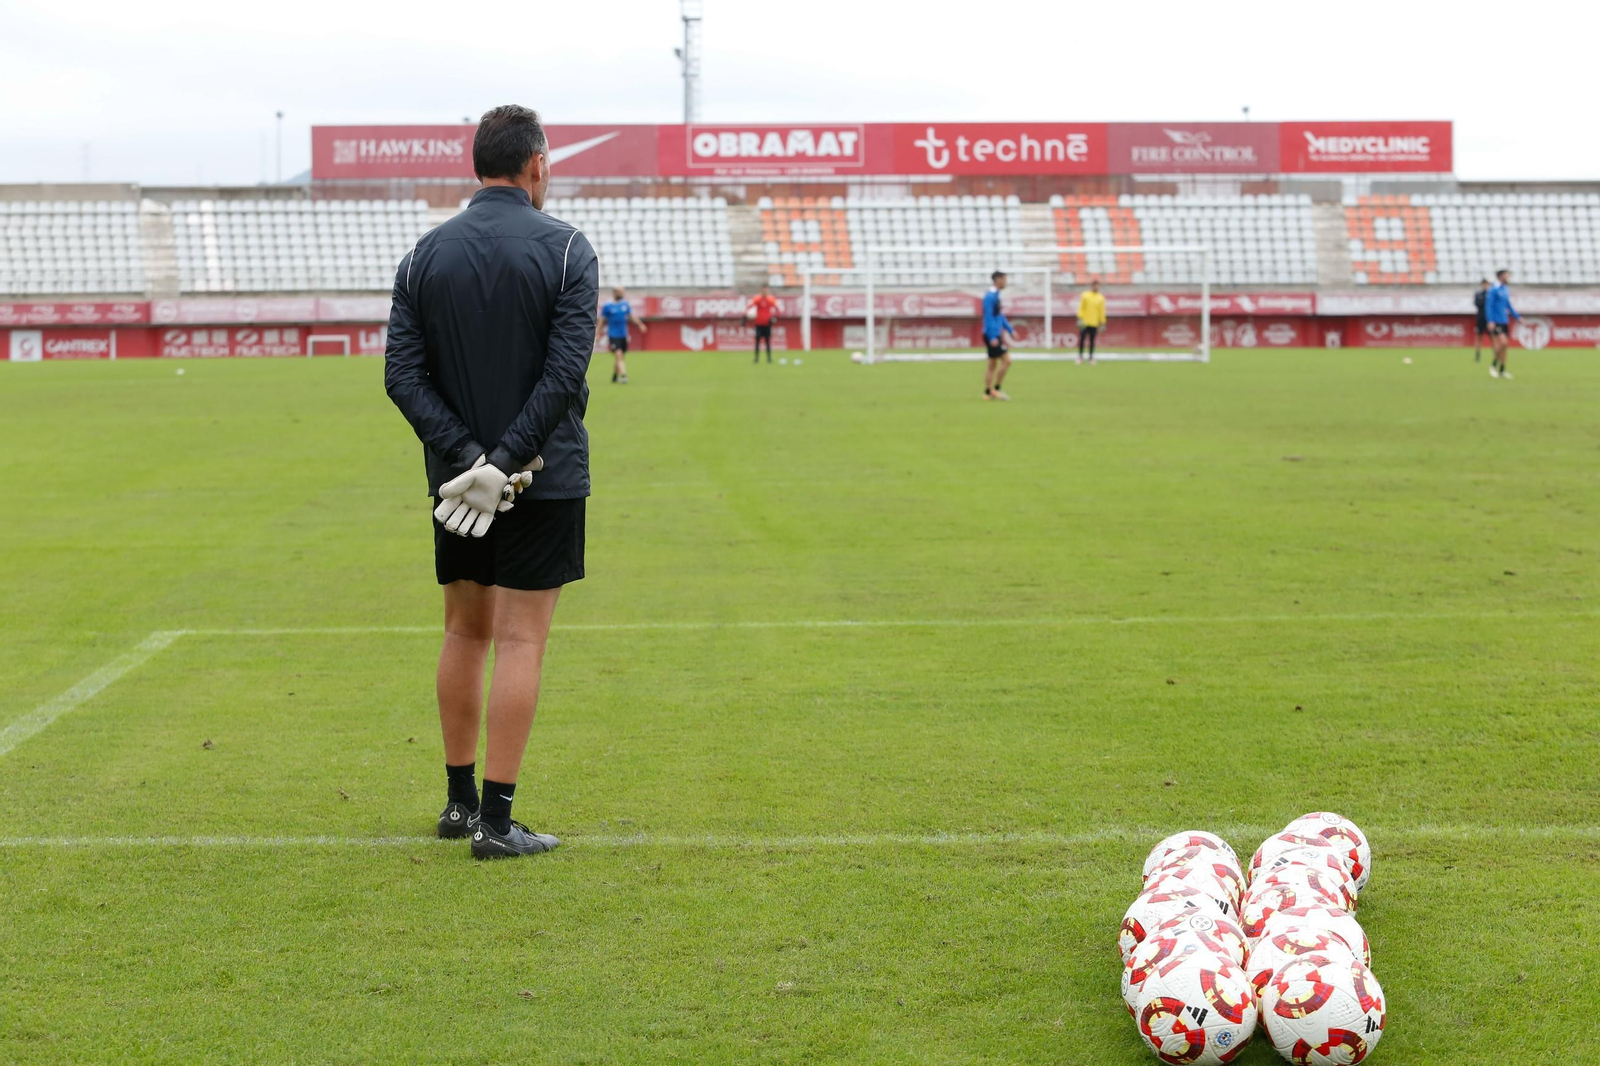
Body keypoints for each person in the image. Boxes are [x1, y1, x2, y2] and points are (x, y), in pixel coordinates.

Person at [384, 104, 599, 860]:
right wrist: (505, 463)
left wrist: (468, 460)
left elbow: (401, 378)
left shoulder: (422, 256)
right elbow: (565, 372)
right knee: (520, 642)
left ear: (478, 164)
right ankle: (499, 825)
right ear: (537, 165)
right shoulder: (569, 249)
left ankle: (456, 805)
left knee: (462, 631)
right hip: (542, 478)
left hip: (455, 490)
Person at [598, 286, 647, 383]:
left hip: (623, 335)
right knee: (619, 355)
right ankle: (624, 376)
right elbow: (601, 320)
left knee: (620, 357)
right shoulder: (607, 306)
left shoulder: (625, 304)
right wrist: (597, 332)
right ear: (615, 293)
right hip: (613, 335)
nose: (623, 294)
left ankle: (615, 376)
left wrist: (640, 324)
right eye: (621, 292)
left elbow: (631, 316)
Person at [982, 269, 1016, 401]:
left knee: (992, 364)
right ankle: (996, 389)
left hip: (994, 334)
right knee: (1007, 361)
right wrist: (992, 337)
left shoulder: (995, 295)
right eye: (1004, 279)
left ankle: (988, 392)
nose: (1006, 282)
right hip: (992, 335)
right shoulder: (990, 297)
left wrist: (1010, 330)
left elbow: (999, 316)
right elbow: (988, 317)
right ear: (998, 280)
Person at [1484, 268, 1521, 379]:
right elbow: (1489, 305)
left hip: (1504, 320)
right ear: (1500, 276)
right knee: (1502, 343)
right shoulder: (1494, 289)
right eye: (1506, 275)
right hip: (1496, 321)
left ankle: (1502, 370)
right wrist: (1490, 320)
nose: (1508, 277)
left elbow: (1508, 305)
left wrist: (1517, 317)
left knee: (1505, 346)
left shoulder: (1505, 289)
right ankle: (1493, 365)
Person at [747, 283, 779, 363]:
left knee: (768, 341)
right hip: (758, 323)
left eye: (766, 290)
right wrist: (748, 314)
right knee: (757, 341)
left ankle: (769, 358)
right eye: (763, 290)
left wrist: (774, 318)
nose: (765, 291)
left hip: (767, 324)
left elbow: (777, 310)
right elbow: (750, 307)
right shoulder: (757, 299)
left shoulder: (771, 299)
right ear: (761, 290)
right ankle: (756, 358)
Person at [1077, 278, 1107, 365]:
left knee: (1092, 340)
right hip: (1085, 322)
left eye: (1097, 285)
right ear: (1092, 286)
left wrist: (1102, 322)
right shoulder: (1085, 295)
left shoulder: (1101, 298)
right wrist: (1080, 318)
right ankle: (1080, 357)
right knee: (1082, 339)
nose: (1096, 287)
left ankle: (1091, 357)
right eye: (1094, 285)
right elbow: (1081, 308)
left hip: (1094, 323)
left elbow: (1102, 311)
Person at [1472, 278, 1491, 362]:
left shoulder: (1491, 294)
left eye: (1487, 284)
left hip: (1490, 319)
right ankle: (1477, 356)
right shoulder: (1478, 294)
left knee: (1493, 337)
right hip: (1480, 318)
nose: (1486, 286)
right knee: (1479, 337)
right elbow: (1477, 303)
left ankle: (1495, 355)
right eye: (1484, 284)